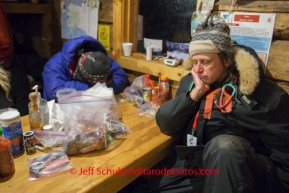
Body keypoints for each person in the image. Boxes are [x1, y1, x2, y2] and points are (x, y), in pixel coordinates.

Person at [127, 14, 289, 193]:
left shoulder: (260, 94)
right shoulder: (192, 82)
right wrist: (194, 95)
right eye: (195, 62)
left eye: (205, 62)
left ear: (226, 60)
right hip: (196, 166)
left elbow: (284, 151)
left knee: (224, 147)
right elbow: (166, 124)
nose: (197, 69)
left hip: (239, 173)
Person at [42, 35, 129, 101]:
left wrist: (96, 89)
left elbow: (121, 78)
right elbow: (55, 93)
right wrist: (96, 88)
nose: (101, 85)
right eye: (98, 83)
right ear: (82, 77)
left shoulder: (98, 58)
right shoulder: (54, 65)